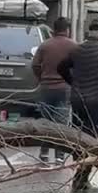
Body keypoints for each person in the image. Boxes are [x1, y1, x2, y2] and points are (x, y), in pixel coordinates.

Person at [31, 17, 78, 162]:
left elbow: (35, 65)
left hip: (46, 88)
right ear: (67, 30)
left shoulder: (45, 45)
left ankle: (44, 154)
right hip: (64, 89)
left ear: (54, 30)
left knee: (46, 123)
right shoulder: (74, 46)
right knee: (61, 124)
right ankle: (60, 155)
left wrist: (41, 78)